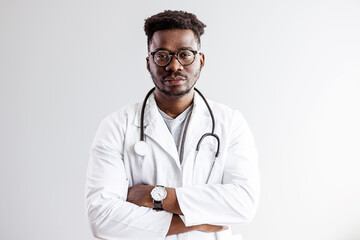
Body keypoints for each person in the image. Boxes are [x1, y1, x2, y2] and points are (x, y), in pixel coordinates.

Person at [85, 10, 260, 240]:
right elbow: (102, 218)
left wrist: (156, 197)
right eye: (162, 56)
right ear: (149, 63)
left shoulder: (230, 123)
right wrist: (200, 222)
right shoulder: (116, 126)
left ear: (201, 60)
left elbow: (244, 204)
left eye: (185, 54)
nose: (174, 65)